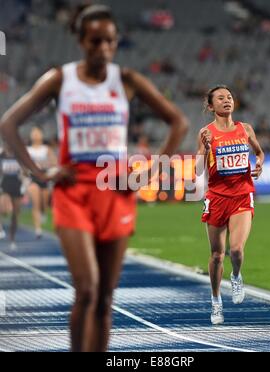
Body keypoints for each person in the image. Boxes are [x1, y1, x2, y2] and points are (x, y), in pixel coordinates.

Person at [0, 4, 188, 352]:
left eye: (109, 42)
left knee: (104, 297)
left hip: (116, 190)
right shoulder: (61, 79)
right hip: (74, 191)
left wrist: (153, 169)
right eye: (95, 41)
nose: (103, 48)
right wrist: (40, 172)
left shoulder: (127, 80)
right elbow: (9, 123)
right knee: (86, 289)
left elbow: (178, 121)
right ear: (81, 40)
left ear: (116, 43)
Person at [196, 85, 264, 325]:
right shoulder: (206, 132)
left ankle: (236, 276)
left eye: (230, 97)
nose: (227, 101)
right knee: (216, 255)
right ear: (211, 106)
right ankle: (216, 302)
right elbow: (197, 170)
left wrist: (259, 163)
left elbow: (259, 152)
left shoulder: (245, 129)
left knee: (236, 250)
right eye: (221, 98)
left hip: (242, 195)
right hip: (216, 197)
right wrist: (204, 148)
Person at [27, 127, 57, 238]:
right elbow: (23, 165)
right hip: (33, 178)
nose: (35, 135)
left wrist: (46, 165)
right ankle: (38, 229)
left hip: (45, 178)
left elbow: (54, 162)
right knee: (36, 203)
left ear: (41, 135)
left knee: (44, 203)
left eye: (37, 133)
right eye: (33, 133)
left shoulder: (46, 149)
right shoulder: (27, 150)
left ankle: (43, 212)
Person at [0, 144, 25, 250]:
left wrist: (24, 182)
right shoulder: (1, 155)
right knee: (2, 209)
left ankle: (12, 238)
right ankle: (0, 229)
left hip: (17, 185)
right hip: (4, 184)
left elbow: (25, 171)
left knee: (15, 213)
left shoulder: (18, 155)